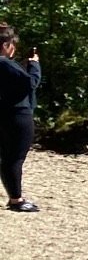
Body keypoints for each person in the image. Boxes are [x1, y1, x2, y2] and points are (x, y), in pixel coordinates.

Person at [0, 23, 41, 213]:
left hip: (4, 112)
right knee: (14, 158)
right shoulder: (4, 62)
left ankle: (14, 197)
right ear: (5, 45)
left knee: (7, 158)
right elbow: (30, 83)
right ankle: (16, 200)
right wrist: (34, 64)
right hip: (17, 115)